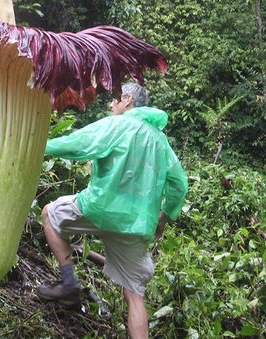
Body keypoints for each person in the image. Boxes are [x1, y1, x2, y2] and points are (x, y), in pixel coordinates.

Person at [37, 82, 188, 339]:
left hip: (97, 209)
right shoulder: (160, 141)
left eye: (115, 99)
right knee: (134, 295)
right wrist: (162, 219)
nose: (111, 104)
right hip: (137, 224)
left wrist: (37, 145)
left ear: (127, 100)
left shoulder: (117, 125)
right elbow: (180, 185)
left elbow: (77, 144)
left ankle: (69, 284)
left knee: (50, 214)